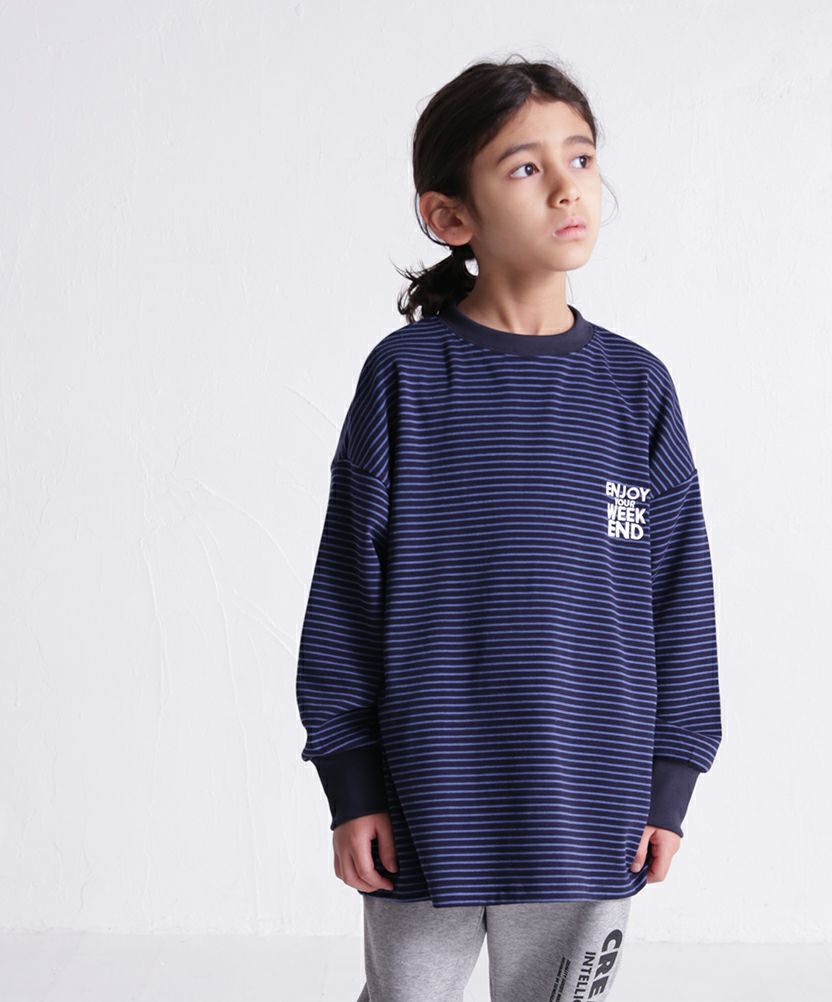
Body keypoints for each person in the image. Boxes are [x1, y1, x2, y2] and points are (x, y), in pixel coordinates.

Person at [295, 55, 723, 1002]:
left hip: (591, 801)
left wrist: (670, 781)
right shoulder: (406, 377)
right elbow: (346, 596)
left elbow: (678, 599)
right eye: (526, 167)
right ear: (451, 217)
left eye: (582, 157)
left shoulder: (636, 389)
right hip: (423, 797)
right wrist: (351, 783)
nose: (569, 186)